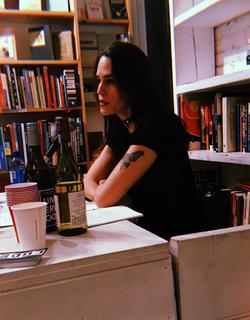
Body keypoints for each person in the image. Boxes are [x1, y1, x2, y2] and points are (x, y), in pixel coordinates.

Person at [84, 41, 205, 240]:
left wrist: (104, 192)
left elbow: (103, 198)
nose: (99, 90)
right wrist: (103, 190)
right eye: (98, 80)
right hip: (147, 234)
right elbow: (88, 180)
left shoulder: (156, 127)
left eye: (110, 81)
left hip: (180, 240)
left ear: (132, 83)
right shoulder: (121, 127)